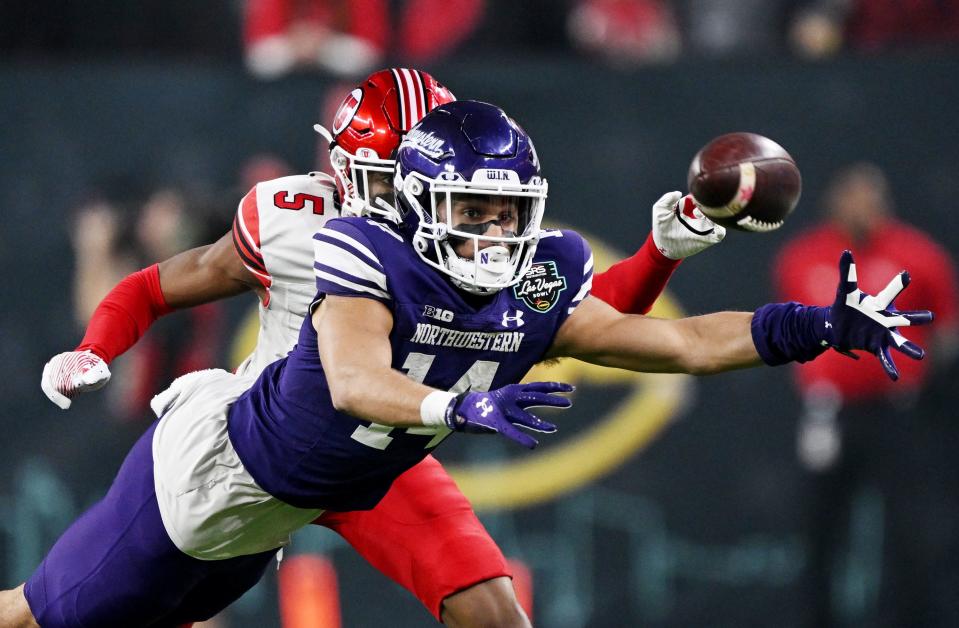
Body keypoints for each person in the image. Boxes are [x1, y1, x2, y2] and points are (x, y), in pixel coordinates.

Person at [3, 99, 932, 628]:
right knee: (53, 621)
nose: (493, 235)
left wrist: (810, 327)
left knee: (495, 615)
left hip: (374, 463)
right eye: (471, 211)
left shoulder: (531, 277)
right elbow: (356, 379)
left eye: (505, 213)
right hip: (229, 470)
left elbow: (676, 342)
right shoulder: (353, 253)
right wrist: (456, 410)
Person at [773, 162, 958, 627]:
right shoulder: (803, 257)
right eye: (853, 198)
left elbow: (947, 331)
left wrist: (922, 381)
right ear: (833, 203)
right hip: (830, 413)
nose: (863, 209)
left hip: (895, 411)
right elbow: (789, 332)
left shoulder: (918, 255)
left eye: (872, 199)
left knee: (911, 530)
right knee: (819, 530)